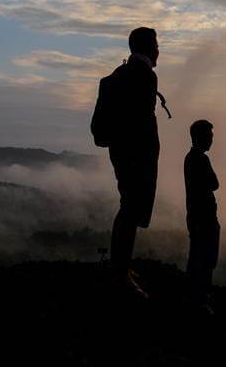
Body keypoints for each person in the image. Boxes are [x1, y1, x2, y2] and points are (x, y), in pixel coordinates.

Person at [94, 26, 165, 299]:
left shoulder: (119, 75)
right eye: (156, 45)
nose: (159, 50)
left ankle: (121, 267)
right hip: (136, 155)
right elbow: (141, 122)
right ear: (148, 47)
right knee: (130, 210)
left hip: (122, 152)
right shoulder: (145, 76)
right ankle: (120, 274)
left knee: (128, 208)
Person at [184, 119, 220, 314]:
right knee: (204, 258)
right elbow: (215, 183)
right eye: (210, 136)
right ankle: (199, 299)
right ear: (201, 137)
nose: (211, 140)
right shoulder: (200, 159)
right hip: (203, 216)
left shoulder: (190, 158)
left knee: (198, 256)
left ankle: (195, 297)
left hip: (196, 215)